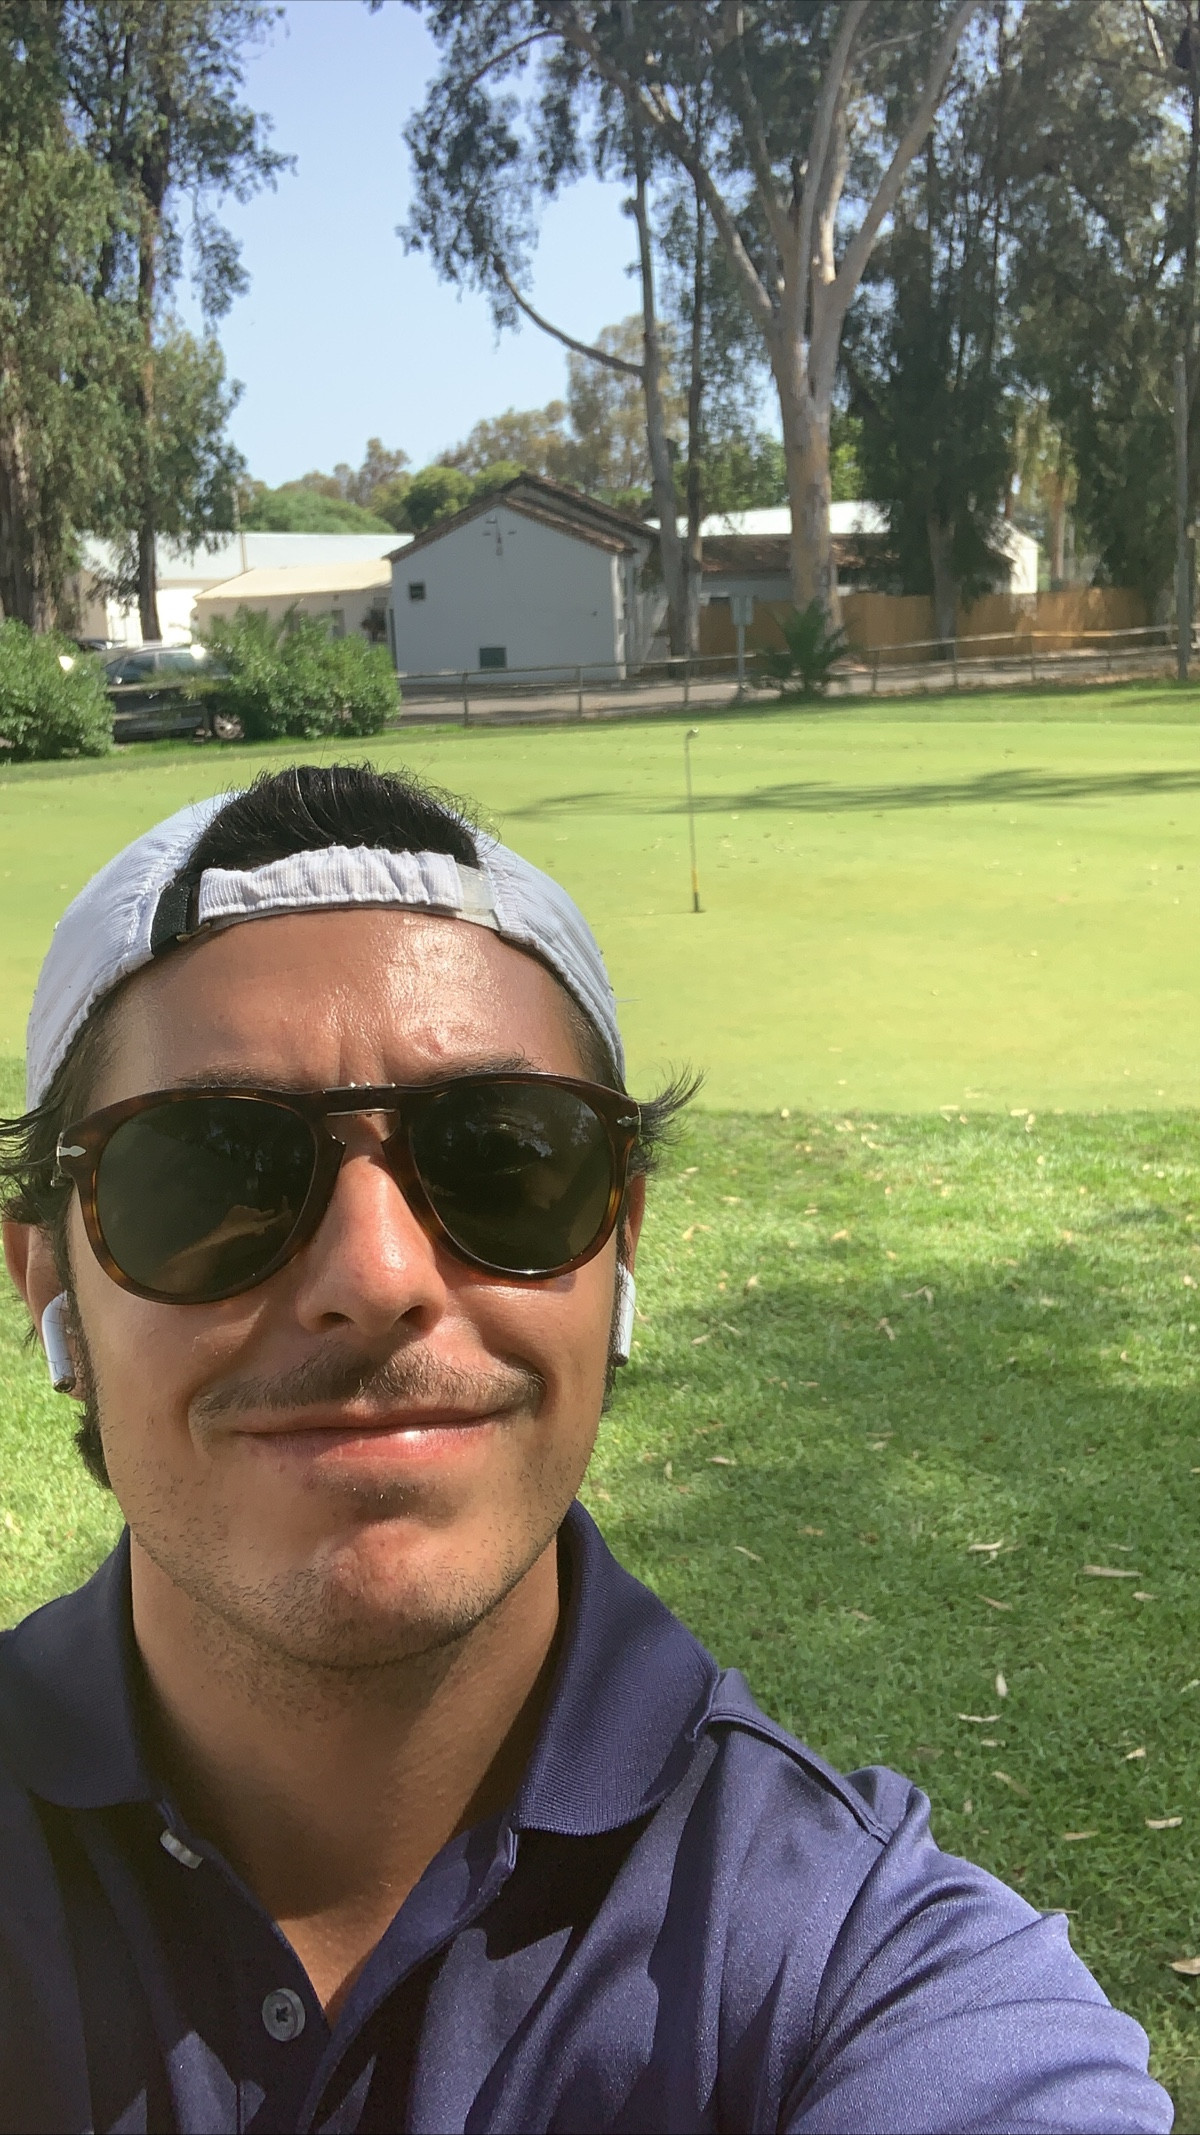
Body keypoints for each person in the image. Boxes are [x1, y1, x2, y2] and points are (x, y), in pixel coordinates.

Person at [0, 761, 1171, 2135]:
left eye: (503, 1160)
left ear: (620, 1248)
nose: (375, 1277)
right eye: (207, 1169)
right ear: (48, 1283)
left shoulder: (867, 1970)